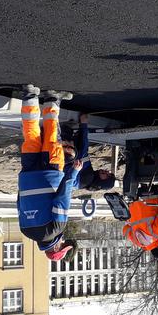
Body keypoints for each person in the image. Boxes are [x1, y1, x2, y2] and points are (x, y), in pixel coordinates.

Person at [17, 85, 79, 261]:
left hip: (50, 174)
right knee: (31, 135)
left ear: (57, 246)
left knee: (52, 136)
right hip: (27, 175)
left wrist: (73, 172)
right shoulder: (26, 231)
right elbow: (19, 202)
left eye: (63, 245)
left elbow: (62, 197)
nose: (64, 241)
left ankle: (52, 98)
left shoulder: (56, 228)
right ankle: (29, 96)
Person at [60, 113, 117, 191]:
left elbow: (82, 149)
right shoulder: (83, 184)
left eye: (108, 175)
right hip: (53, 163)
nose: (107, 171)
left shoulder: (87, 176)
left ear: (102, 181)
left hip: (59, 153)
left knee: (66, 133)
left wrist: (84, 125)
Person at [122, 192, 158, 260]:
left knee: (152, 182)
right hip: (133, 204)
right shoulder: (137, 242)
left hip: (150, 201)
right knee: (136, 183)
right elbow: (125, 229)